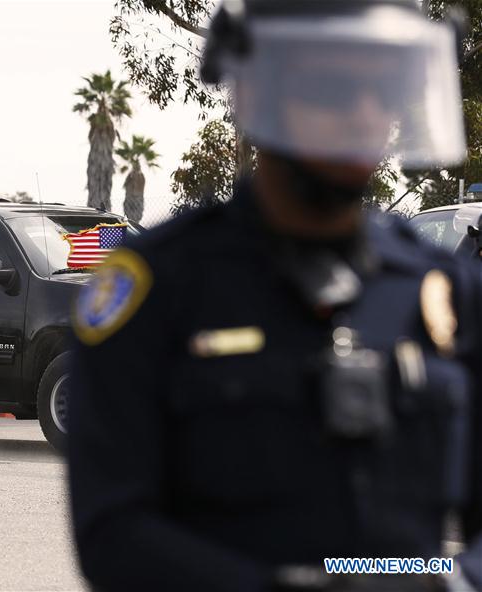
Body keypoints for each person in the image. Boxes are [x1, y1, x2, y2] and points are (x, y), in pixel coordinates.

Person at [68, 1, 482, 591]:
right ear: (256, 96)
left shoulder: (446, 291)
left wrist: (437, 582)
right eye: (336, 89)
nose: (367, 113)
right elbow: (112, 530)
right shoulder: (156, 289)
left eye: (384, 90)